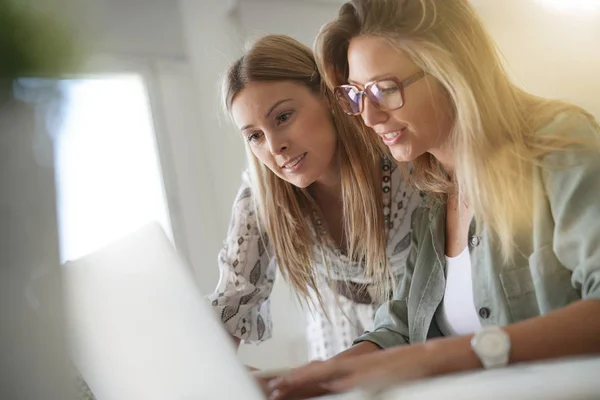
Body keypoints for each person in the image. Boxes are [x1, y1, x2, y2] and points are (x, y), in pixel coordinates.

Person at [267, 0, 600, 398]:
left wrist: (444, 356)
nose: (369, 118)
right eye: (356, 94)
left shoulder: (556, 144)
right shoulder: (433, 193)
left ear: (451, 70)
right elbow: (401, 326)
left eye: (384, 90)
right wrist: (302, 380)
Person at [208, 34, 422, 362]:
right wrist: (215, 373)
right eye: (254, 135)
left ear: (328, 97)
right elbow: (233, 300)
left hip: (428, 319)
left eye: (283, 117)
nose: (274, 146)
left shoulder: (398, 155)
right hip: (343, 331)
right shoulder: (263, 194)